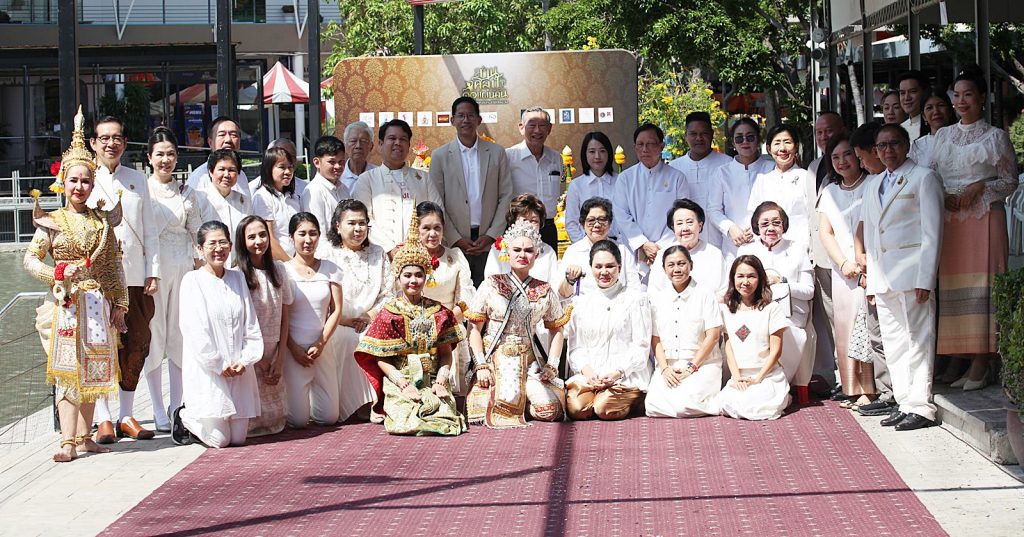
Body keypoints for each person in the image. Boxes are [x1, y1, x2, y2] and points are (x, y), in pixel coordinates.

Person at [24, 108, 127, 461]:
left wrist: (121, 304)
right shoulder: (51, 222)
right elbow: (30, 260)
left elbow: (112, 267)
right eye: (73, 181)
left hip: (96, 304)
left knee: (94, 370)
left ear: (92, 184)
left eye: (85, 181)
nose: (79, 187)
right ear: (63, 183)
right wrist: (57, 273)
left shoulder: (102, 223)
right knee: (68, 372)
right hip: (65, 304)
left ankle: (84, 436)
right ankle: (67, 440)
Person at [930, 65, 1020, 391]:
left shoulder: (996, 137)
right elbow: (932, 176)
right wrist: (943, 196)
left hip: (984, 218)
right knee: (955, 288)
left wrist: (982, 186)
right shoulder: (943, 136)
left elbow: (1010, 181)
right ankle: (966, 358)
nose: (961, 101)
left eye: (968, 94)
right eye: (957, 95)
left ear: (982, 98)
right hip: (952, 220)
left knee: (984, 285)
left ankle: (984, 360)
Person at [857, 123, 943, 431]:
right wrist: (871, 280)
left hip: (912, 274)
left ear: (906, 146)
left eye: (894, 143)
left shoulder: (924, 177)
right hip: (883, 278)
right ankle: (904, 401)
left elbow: (932, 232)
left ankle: (921, 406)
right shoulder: (873, 183)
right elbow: (871, 236)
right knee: (894, 343)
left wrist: (926, 278)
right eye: (881, 146)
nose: (888, 150)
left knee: (917, 341)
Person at [354, 210, 467, 435]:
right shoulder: (389, 313)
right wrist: (403, 384)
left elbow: (446, 353)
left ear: (427, 277)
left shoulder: (440, 312)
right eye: (407, 275)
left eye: (418, 275)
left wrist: (441, 381)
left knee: (444, 418)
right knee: (407, 421)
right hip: (400, 380)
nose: (413, 280)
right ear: (398, 278)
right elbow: (380, 358)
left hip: (433, 379)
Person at [87, 115, 158, 443]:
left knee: (137, 342)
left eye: (116, 138)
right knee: (99, 344)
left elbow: (150, 228)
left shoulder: (138, 179)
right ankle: (102, 416)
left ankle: (126, 414)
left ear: (125, 143)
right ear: (93, 143)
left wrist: (153, 270)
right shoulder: (84, 178)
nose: (110, 143)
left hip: (134, 275)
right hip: (98, 279)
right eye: (104, 138)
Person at [465, 219, 572, 428]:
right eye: (517, 250)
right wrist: (480, 365)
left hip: (529, 360)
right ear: (507, 252)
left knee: (549, 410)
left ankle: (524, 401)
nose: (523, 255)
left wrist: (552, 365)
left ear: (536, 255)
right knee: (483, 408)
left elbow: (556, 329)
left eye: (529, 250)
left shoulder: (544, 290)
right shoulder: (491, 285)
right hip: (494, 358)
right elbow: (474, 329)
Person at [172, 221, 262, 448]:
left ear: (230, 245)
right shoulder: (192, 281)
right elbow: (194, 331)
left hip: (238, 369)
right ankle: (184, 415)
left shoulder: (237, 278)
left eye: (223, 243)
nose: (218, 249)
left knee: (239, 439)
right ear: (200, 249)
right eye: (212, 244)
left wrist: (245, 360)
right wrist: (218, 364)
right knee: (220, 440)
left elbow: (251, 324)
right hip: (210, 370)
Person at [144, 127, 202, 432]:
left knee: (180, 335)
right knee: (154, 334)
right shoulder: (142, 190)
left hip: (183, 268)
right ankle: (156, 406)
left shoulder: (187, 193)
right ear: (149, 157)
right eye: (160, 154)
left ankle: (177, 404)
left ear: (177, 157)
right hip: (153, 272)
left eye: (170, 154)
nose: (165, 160)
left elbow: (198, 234)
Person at [818, 134, 877, 408]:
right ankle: (852, 387)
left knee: (868, 326)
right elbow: (826, 232)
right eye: (835, 157)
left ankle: (873, 388)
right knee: (846, 328)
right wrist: (843, 263)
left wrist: (863, 263)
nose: (842, 162)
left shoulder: (873, 184)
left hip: (872, 268)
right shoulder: (829, 192)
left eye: (847, 155)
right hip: (843, 273)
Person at [429, 96, 514, 285]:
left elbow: (506, 195)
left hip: (489, 243)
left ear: (479, 120)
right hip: (454, 243)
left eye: (470, 115)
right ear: (452, 120)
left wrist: (491, 235)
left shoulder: (497, 152)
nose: (465, 120)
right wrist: (455, 238)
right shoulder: (440, 156)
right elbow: (436, 202)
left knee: (490, 292)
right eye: (460, 116)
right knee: (457, 293)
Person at [563, 240, 651, 420]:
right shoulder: (582, 303)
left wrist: (617, 373)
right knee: (577, 409)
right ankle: (597, 395)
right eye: (598, 266)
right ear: (591, 268)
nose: (604, 272)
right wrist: (588, 372)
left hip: (624, 374)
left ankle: (634, 399)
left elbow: (641, 346)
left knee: (603, 408)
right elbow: (576, 347)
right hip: (592, 375)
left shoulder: (635, 299)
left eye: (610, 266)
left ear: (619, 267)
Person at [737, 202, 815, 404]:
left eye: (776, 223)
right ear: (756, 227)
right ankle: (749, 381)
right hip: (755, 313)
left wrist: (782, 282)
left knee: (781, 331)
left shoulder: (797, 248)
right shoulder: (747, 250)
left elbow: (809, 291)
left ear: (784, 225)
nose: (770, 228)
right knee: (741, 331)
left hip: (790, 315)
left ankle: (776, 385)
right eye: (764, 224)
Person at [323, 200, 388, 421]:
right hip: (336, 321)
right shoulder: (327, 254)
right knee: (347, 339)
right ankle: (349, 405)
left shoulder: (378, 253)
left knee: (371, 338)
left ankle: (374, 402)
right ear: (338, 226)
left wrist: (369, 316)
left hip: (371, 319)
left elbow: (389, 292)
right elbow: (321, 294)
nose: (358, 229)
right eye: (351, 223)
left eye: (362, 223)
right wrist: (344, 320)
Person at [645, 246, 724, 417]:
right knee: (652, 407)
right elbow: (655, 339)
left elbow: (713, 337)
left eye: (681, 264)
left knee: (685, 406)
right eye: (671, 265)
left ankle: (720, 402)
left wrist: (691, 367)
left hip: (702, 364)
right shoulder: (658, 299)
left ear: (691, 265)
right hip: (670, 366)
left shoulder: (705, 294)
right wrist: (664, 369)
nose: (676, 269)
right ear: (664, 269)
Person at [282, 213, 344, 427]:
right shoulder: (283, 271)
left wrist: (321, 343)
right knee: (298, 420)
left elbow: (336, 310)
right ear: (291, 237)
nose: (308, 240)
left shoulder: (330, 268)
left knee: (329, 417)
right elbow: (281, 316)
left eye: (313, 234)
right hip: (293, 350)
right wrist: (293, 348)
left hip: (322, 347)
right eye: (302, 234)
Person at [235, 216, 292, 437]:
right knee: (251, 418)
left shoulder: (279, 269)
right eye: (251, 237)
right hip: (251, 353)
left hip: (275, 350)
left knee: (276, 419)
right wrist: (260, 360)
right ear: (242, 241)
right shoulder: (237, 275)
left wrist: (280, 358)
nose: (258, 241)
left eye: (262, 235)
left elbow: (285, 317)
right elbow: (239, 323)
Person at [352, 119, 442, 259]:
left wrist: (416, 245)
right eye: (392, 138)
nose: (398, 143)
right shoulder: (366, 179)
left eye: (403, 139)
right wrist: (390, 248)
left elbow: (438, 214)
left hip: (419, 254)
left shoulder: (423, 178)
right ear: (380, 144)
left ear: (409, 145)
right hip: (379, 256)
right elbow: (363, 218)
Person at [716, 255, 791, 421]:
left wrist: (758, 379)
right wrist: (736, 377)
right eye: (740, 276)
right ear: (733, 279)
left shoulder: (772, 308)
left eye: (751, 276)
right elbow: (729, 347)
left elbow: (776, 351)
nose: (745, 282)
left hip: (766, 376)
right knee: (726, 403)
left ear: (760, 278)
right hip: (739, 377)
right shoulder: (727, 310)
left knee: (754, 406)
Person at [614, 122, 691, 277]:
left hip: (668, 249)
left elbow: (682, 215)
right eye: (640, 144)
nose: (645, 149)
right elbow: (621, 214)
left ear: (661, 146)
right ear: (635, 147)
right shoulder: (625, 178)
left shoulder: (677, 178)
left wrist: (659, 247)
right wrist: (642, 243)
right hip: (634, 249)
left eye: (650, 144)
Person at [415, 202, 476, 396]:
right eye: (426, 228)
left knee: (453, 335)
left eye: (437, 228)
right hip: (416, 324)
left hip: (450, 322)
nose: (432, 234)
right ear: (416, 229)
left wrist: (445, 320)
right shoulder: (409, 258)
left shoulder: (455, 256)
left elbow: (467, 295)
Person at [707, 117, 772, 264]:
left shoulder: (771, 168)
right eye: (739, 138)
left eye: (750, 137)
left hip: (767, 240)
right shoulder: (722, 172)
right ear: (732, 143)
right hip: (733, 244)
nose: (745, 142)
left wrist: (761, 227)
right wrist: (730, 228)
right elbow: (713, 209)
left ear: (758, 139)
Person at [668, 112, 733, 247]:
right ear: (685, 135)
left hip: (722, 240)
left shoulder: (728, 165)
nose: (699, 138)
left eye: (704, 133)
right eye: (693, 134)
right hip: (685, 241)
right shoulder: (674, 168)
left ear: (712, 134)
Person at [558, 197, 638, 299]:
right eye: (591, 220)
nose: (597, 225)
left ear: (610, 223)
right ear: (583, 224)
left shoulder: (622, 251)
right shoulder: (573, 252)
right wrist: (570, 280)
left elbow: (634, 287)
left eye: (602, 220)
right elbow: (562, 295)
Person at [506, 107, 563, 250]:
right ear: (521, 127)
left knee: (549, 263)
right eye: (532, 125)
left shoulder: (556, 158)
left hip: (548, 227)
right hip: (520, 227)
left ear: (549, 129)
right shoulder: (509, 157)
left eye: (542, 125)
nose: (537, 130)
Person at [747, 124, 812, 249]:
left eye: (787, 142)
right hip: (768, 247)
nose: (782, 148)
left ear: (796, 146)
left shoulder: (806, 177)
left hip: (800, 246)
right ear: (769, 148)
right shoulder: (762, 180)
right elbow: (754, 215)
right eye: (777, 143)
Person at [648, 199, 726, 297]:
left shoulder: (714, 254)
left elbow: (723, 291)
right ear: (673, 228)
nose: (685, 228)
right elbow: (654, 291)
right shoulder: (663, 254)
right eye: (679, 223)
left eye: (689, 222)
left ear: (700, 225)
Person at [191, 149, 252, 266]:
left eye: (232, 170)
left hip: (237, 267)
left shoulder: (244, 201)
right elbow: (194, 239)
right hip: (207, 267)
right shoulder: (199, 199)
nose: (226, 175)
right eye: (221, 169)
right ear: (211, 172)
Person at [485, 193, 559, 283]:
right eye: (524, 220)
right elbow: (490, 283)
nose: (528, 225)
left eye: (534, 221)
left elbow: (554, 285)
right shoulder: (499, 249)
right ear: (513, 222)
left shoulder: (548, 251)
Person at [564, 132, 620, 243]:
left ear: (609, 153)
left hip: (618, 244)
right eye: (592, 151)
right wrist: (585, 247)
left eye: (602, 151)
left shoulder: (620, 182)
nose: (597, 156)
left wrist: (620, 244)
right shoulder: (576, 185)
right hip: (587, 245)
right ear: (585, 154)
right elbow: (571, 223)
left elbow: (628, 217)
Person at [301, 135, 350, 256]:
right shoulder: (313, 192)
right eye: (332, 162)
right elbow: (317, 235)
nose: (338, 166)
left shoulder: (344, 189)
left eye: (341, 162)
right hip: (327, 256)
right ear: (317, 162)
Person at [251, 146, 300, 259]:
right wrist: (289, 263)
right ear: (269, 169)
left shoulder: (293, 197)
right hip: (276, 263)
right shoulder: (262, 197)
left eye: (290, 167)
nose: (288, 172)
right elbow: (268, 238)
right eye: (282, 167)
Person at [185, 116, 251, 198]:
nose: (228, 140)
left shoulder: (242, 176)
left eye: (233, 135)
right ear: (210, 142)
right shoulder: (198, 178)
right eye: (222, 135)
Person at [909, 90, 956, 169]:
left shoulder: (962, 140)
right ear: (924, 116)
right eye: (929, 108)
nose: (936, 111)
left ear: (950, 111)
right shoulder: (917, 146)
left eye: (941, 105)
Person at [340, 121, 378, 193]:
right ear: (345, 145)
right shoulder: (338, 175)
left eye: (363, 141)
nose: (358, 146)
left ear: (371, 146)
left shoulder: (378, 175)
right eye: (353, 141)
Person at [897, 70, 930, 141]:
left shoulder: (934, 125)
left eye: (913, 92)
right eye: (902, 93)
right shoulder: (900, 129)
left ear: (924, 93)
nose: (906, 98)